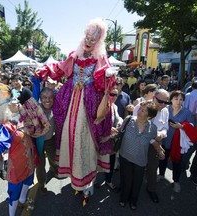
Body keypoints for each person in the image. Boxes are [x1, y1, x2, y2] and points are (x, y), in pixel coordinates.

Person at [35, 18, 117, 206]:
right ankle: (76, 178)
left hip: (90, 104)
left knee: (87, 140)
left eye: (93, 40)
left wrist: (107, 75)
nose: (89, 42)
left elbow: (104, 83)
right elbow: (60, 70)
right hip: (71, 100)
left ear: (98, 42)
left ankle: (88, 182)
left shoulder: (100, 59)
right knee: (70, 137)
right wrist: (45, 69)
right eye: (87, 38)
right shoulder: (74, 55)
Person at [0, 89, 49, 216]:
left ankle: (23, 199)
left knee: (28, 180)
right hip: (17, 164)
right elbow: (0, 140)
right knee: (14, 191)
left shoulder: (25, 117)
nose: (17, 103)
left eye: (17, 101)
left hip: (30, 159)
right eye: (13, 101)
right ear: (6, 106)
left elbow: (38, 122)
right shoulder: (5, 126)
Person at [119, 101, 158, 210]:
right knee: (126, 179)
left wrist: (159, 149)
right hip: (125, 156)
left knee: (137, 182)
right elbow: (119, 131)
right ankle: (123, 198)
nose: (139, 111)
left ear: (149, 116)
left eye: (143, 110)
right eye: (140, 109)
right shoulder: (128, 120)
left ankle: (134, 200)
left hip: (140, 160)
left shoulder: (153, 129)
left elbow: (152, 140)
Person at [133, 89, 169, 203]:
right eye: (160, 101)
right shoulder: (140, 107)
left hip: (155, 145)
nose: (163, 105)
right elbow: (137, 129)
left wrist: (161, 134)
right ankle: (131, 188)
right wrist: (154, 140)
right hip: (139, 144)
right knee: (136, 168)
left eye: (165, 102)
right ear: (153, 98)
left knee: (153, 168)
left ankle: (151, 189)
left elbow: (165, 127)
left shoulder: (165, 111)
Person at [158, 90, 195, 193]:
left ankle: (176, 181)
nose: (179, 101)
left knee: (177, 163)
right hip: (165, 140)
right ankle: (161, 175)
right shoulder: (165, 109)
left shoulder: (186, 112)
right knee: (162, 159)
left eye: (181, 99)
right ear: (171, 100)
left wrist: (182, 126)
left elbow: (192, 126)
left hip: (178, 144)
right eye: (176, 99)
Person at [36, 87, 59, 195]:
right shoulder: (35, 110)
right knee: (40, 165)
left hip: (51, 140)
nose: (48, 100)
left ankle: (54, 170)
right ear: (40, 98)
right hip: (37, 143)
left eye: (50, 97)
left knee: (53, 158)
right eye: (44, 97)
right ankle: (41, 184)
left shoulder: (57, 109)